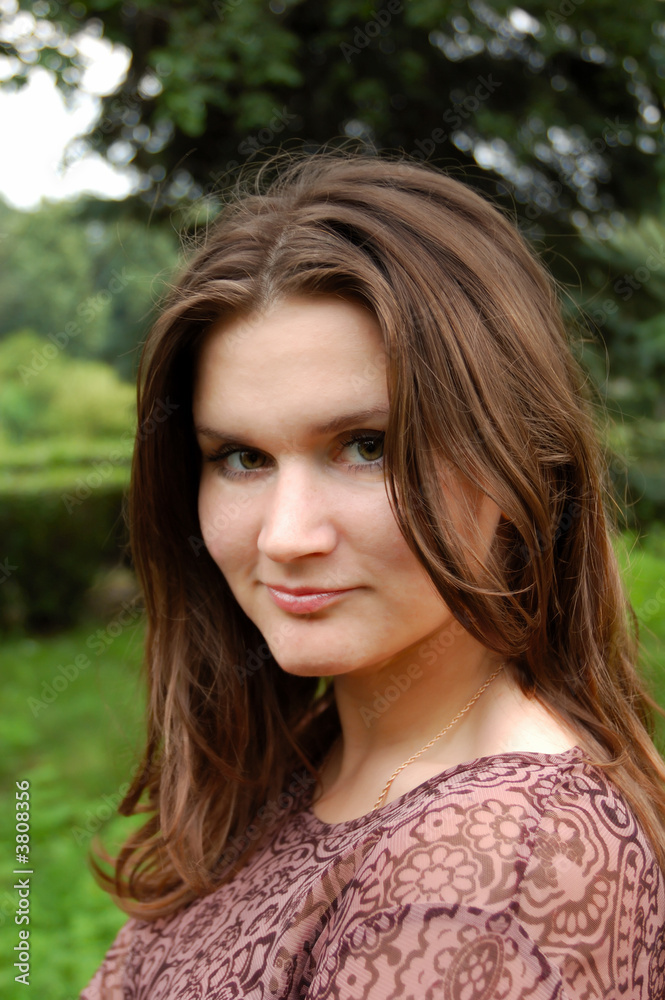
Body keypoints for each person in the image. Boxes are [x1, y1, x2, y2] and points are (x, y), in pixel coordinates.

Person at [79, 148, 665, 1000]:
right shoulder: (298, 765)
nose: (285, 537)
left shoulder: (495, 873)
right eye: (240, 457)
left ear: (517, 459)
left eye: (366, 447)